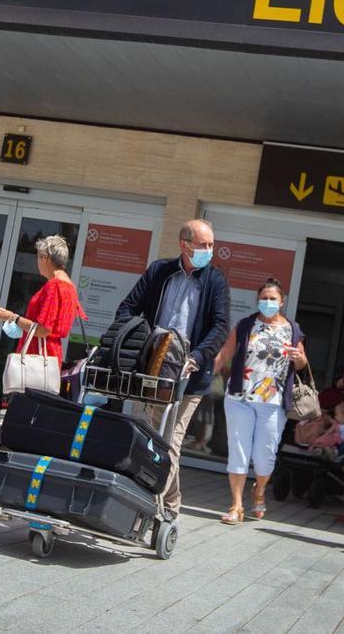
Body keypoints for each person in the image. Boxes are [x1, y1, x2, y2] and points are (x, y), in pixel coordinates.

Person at [115, 219, 230, 520]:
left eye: (211, 245)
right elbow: (128, 308)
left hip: (189, 376)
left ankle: (153, 507)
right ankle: (171, 502)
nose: (209, 250)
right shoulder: (159, 272)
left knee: (171, 442)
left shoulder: (215, 281)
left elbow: (220, 326)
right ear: (184, 245)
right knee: (151, 437)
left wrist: (198, 356)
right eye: (203, 245)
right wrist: (134, 341)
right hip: (153, 369)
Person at [213, 278, 307, 523]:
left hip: (273, 402)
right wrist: (205, 374)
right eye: (263, 298)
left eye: (272, 298)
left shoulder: (293, 329)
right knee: (239, 451)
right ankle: (236, 505)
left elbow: (302, 363)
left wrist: (299, 359)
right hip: (239, 398)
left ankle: (259, 490)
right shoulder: (245, 325)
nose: (267, 302)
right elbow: (225, 353)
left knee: (265, 456)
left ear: (282, 302)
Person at [0, 235, 86, 436]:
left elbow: (43, 329)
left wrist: (13, 317)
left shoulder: (54, 286)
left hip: (37, 353)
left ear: (45, 257)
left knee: (27, 404)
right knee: (39, 407)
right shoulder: (69, 286)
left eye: (38, 257)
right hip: (51, 354)